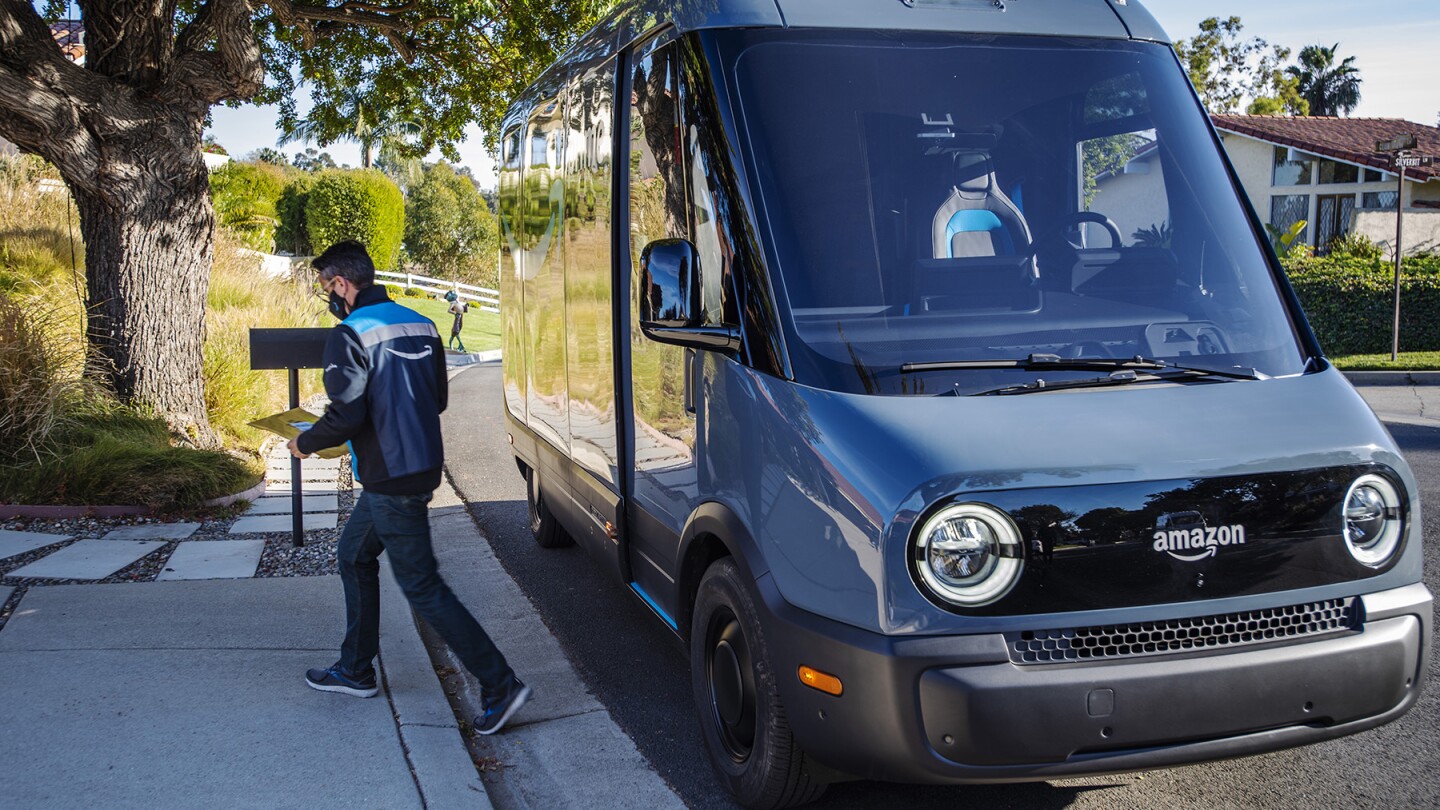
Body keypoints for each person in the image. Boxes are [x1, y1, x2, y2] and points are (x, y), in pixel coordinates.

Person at [289, 240, 531, 735]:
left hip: (390, 479)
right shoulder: (420, 324)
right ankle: (355, 669)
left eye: (325, 288)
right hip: (417, 468)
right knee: (354, 555)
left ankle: (499, 683)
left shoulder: (349, 334)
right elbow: (437, 398)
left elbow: (347, 413)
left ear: (341, 284)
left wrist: (305, 443)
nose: (327, 298)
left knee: (422, 585)